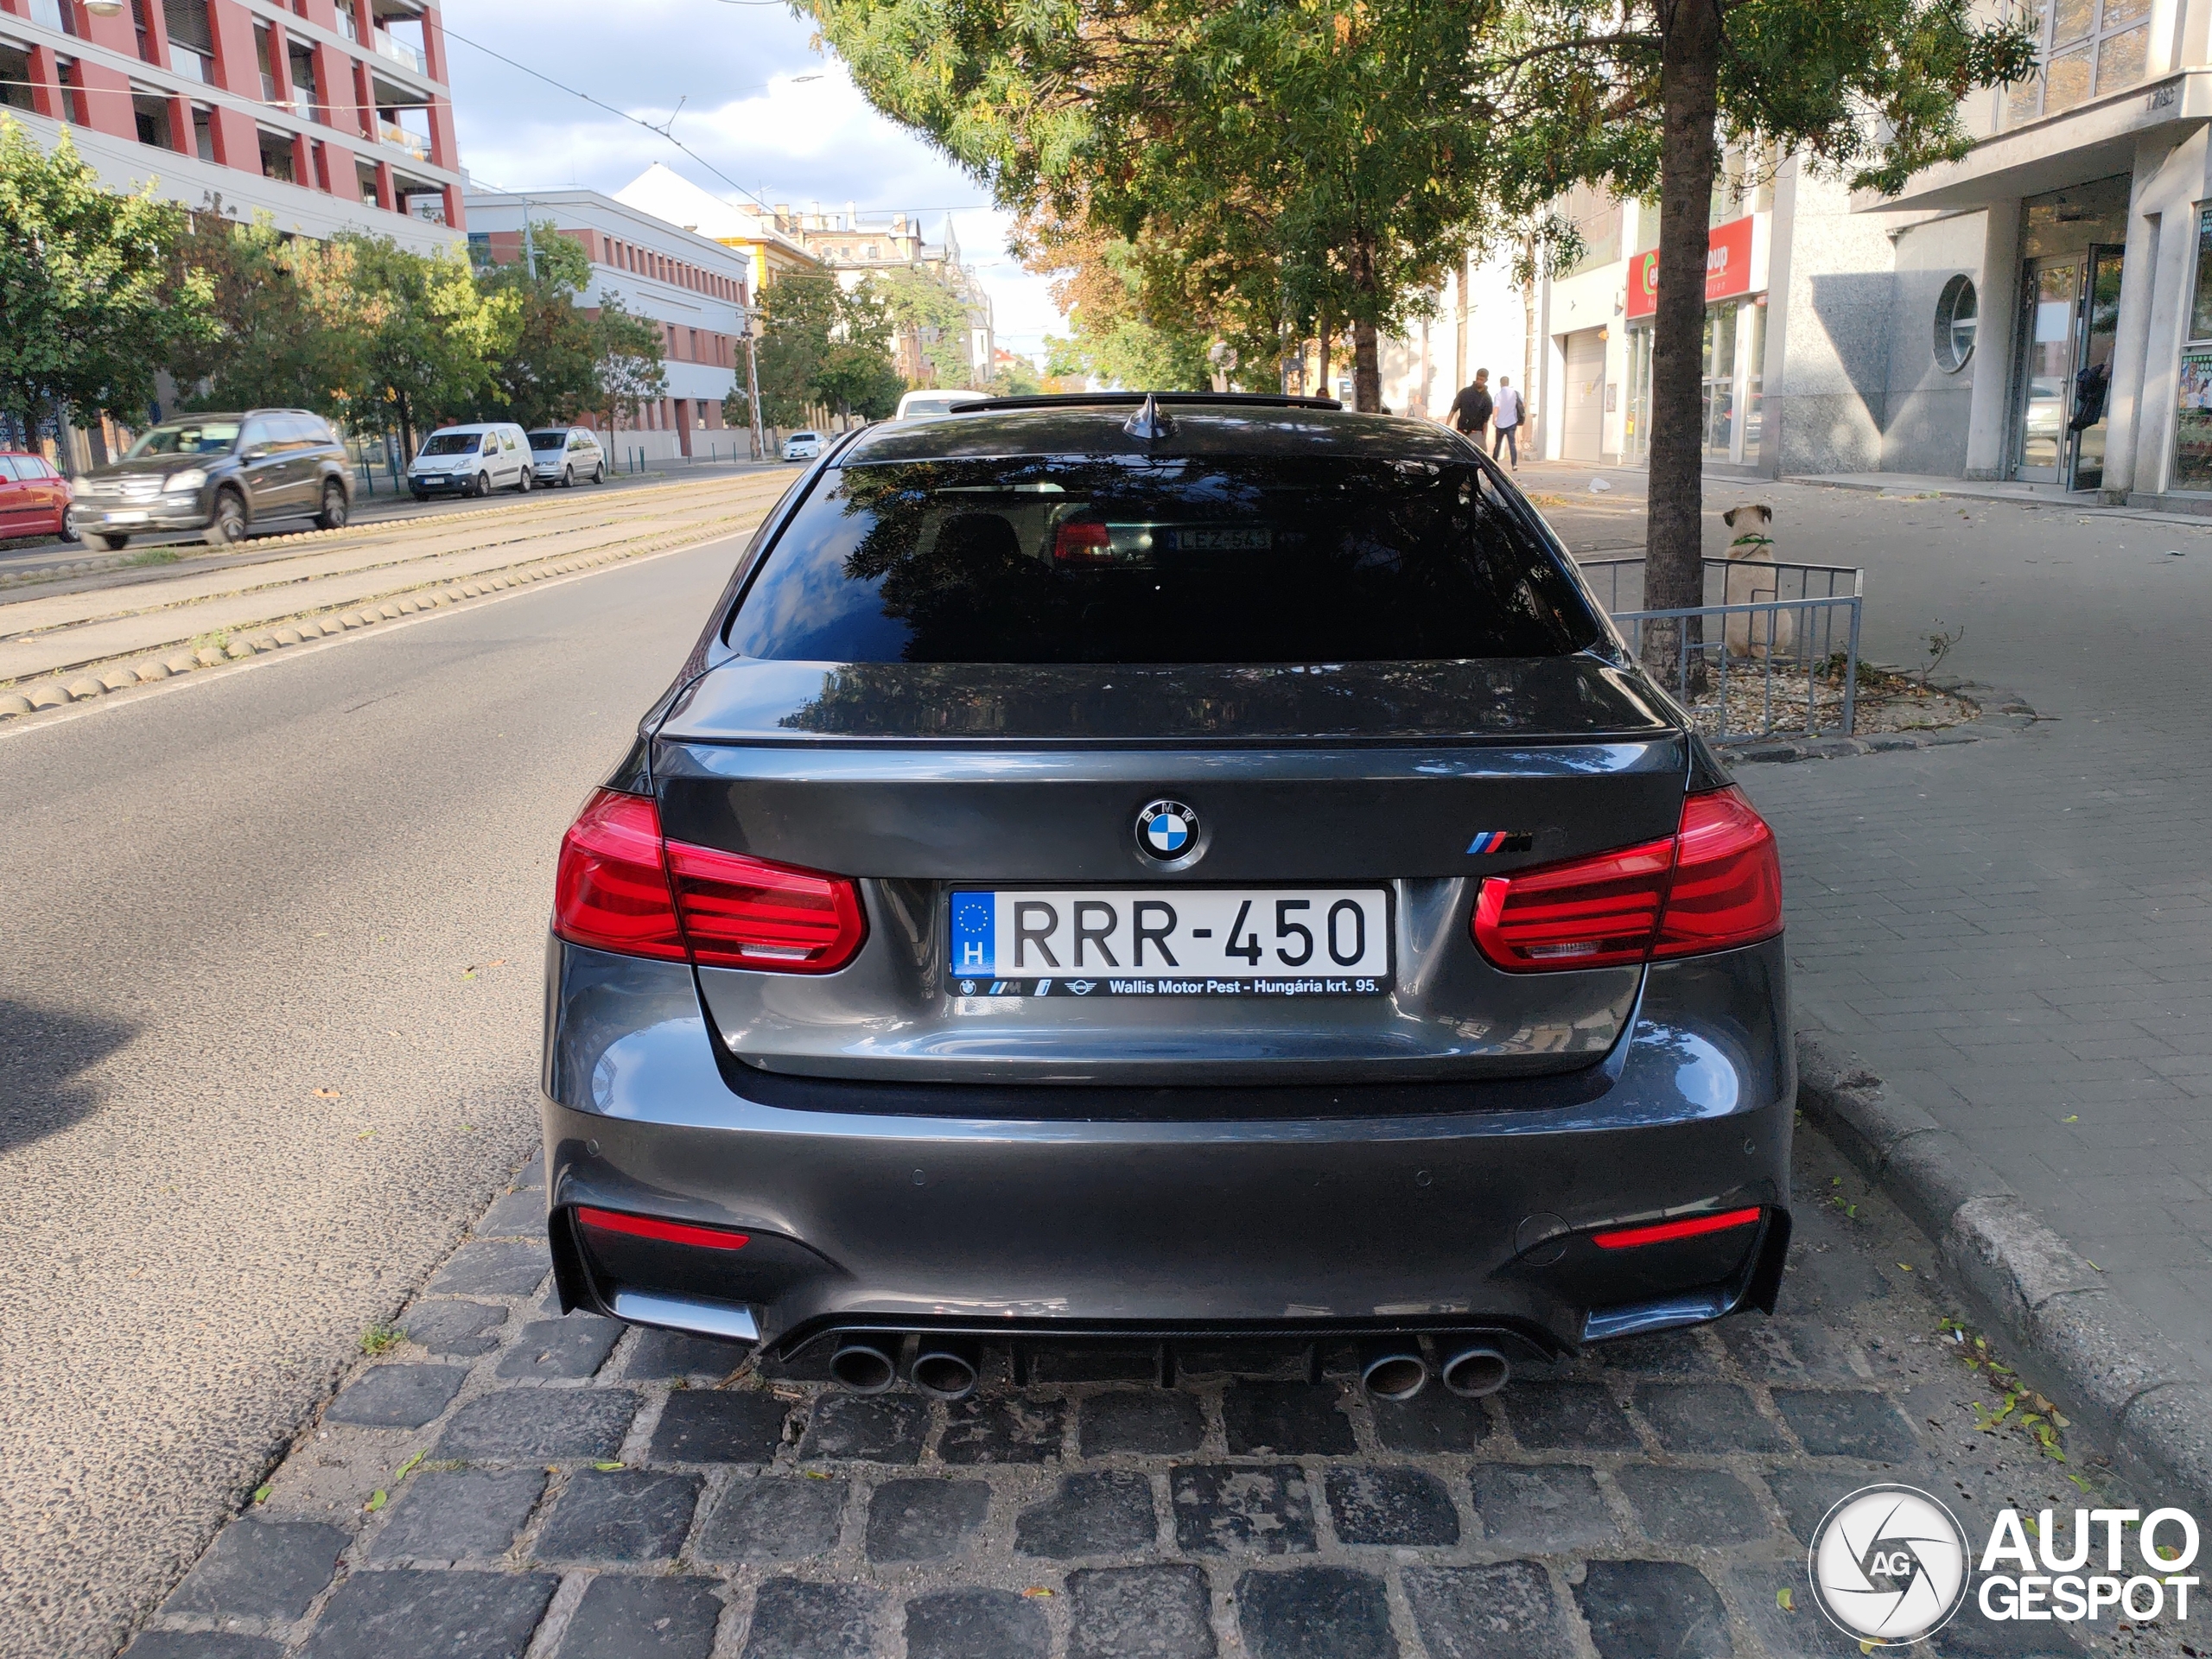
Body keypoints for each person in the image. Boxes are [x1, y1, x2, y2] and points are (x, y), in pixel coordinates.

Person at [1449, 369, 1492, 443]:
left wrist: (1483, 438)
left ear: (1486, 380)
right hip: (1461, 431)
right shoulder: (1465, 392)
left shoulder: (1487, 398)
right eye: (1477, 379)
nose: (1479, 381)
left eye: (1481, 379)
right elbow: (1453, 409)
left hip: (1476, 433)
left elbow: (1486, 421)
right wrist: (1447, 426)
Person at [1491, 375, 1524, 467]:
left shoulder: (1498, 395)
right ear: (1508, 383)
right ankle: (1514, 464)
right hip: (1512, 422)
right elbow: (1522, 404)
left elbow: (1496, 408)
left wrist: (1494, 419)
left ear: (1500, 383)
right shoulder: (1515, 393)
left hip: (1500, 423)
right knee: (1512, 444)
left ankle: (1494, 463)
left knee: (1498, 443)